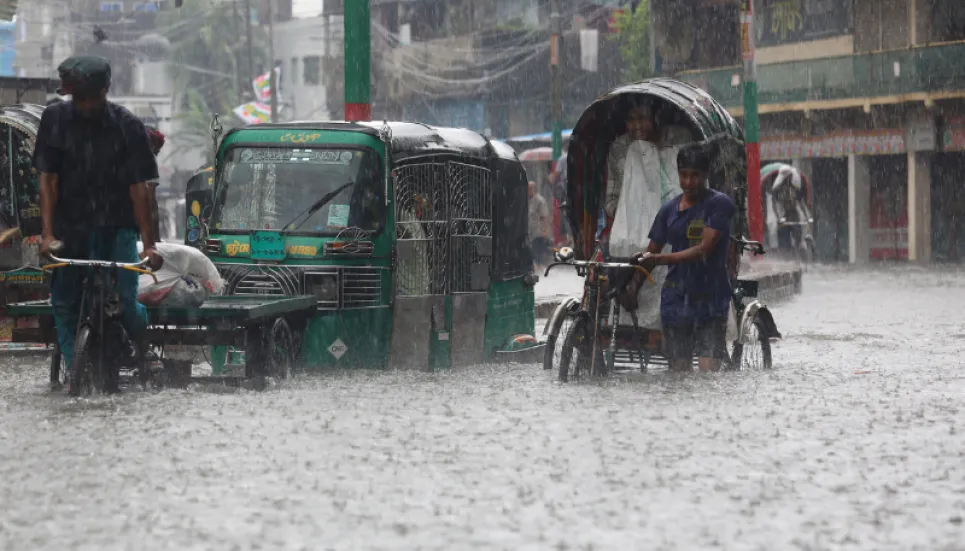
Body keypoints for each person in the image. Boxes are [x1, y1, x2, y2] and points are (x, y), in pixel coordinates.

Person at [33, 55, 162, 393]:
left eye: (90, 96)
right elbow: (48, 181)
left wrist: (149, 245)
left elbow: (140, 190)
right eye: (78, 97)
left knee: (126, 299)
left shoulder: (128, 126)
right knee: (63, 301)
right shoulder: (54, 118)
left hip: (117, 226)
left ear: (106, 90)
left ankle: (142, 349)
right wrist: (46, 235)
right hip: (69, 228)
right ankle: (76, 364)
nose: (84, 105)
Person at [633, 144, 736, 372]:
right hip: (676, 300)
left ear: (706, 174)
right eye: (684, 175)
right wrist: (632, 288)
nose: (689, 182)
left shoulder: (719, 205)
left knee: (708, 373)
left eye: (695, 176)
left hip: (711, 298)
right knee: (679, 375)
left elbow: (703, 249)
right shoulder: (668, 210)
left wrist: (659, 259)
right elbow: (650, 254)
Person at [528, 181, 552, 269]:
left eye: (528, 189)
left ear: (532, 189)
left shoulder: (540, 201)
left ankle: (542, 271)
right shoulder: (530, 200)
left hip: (540, 234)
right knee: (534, 256)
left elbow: (544, 217)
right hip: (533, 234)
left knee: (539, 256)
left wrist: (545, 231)